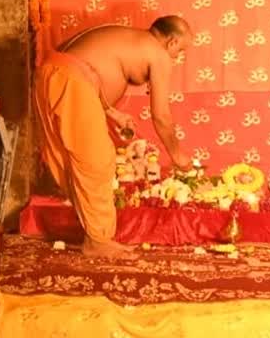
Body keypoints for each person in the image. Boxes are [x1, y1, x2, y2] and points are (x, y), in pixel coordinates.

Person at [33, 15, 194, 258]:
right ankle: (98, 240)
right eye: (180, 51)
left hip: (52, 74)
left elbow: (85, 65)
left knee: (73, 161)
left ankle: (94, 235)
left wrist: (112, 113)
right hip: (72, 81)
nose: (177, 57)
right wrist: (178, 155)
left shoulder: (125, 35)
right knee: (97, 161)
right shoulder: (159, 54)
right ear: (171, 42)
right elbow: (161, 115)